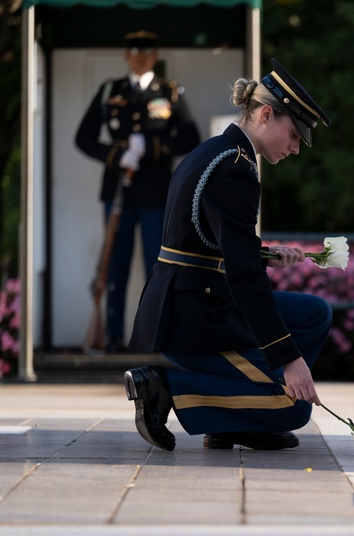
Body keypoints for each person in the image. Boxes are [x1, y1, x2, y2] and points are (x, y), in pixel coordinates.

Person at [123, 58, 333, 452]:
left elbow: (204, 239)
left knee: (314, 314)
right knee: (293, 412)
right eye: (293, 135)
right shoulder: (235, 169)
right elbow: (242, 276)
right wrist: (289, 359)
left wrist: (266, 253)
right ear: (266, 114)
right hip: (191, 317)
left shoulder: (218, 151)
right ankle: (165, 384)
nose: (294, 148)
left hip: (189, 300)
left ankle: (228, 422)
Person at [75, 30, 200, 352]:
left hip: (156, 193)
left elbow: (189, 138)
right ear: (126, 54)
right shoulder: (109, 92)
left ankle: (153, 334)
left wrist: (152, 147)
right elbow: (83, 138)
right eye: (134, 49)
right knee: (114, 264)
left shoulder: (168, 93)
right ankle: (113, 335)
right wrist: (117, 155)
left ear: (155, 54)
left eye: (147, 49)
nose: (141, 54)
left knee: (155, 264)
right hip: (118, 192)